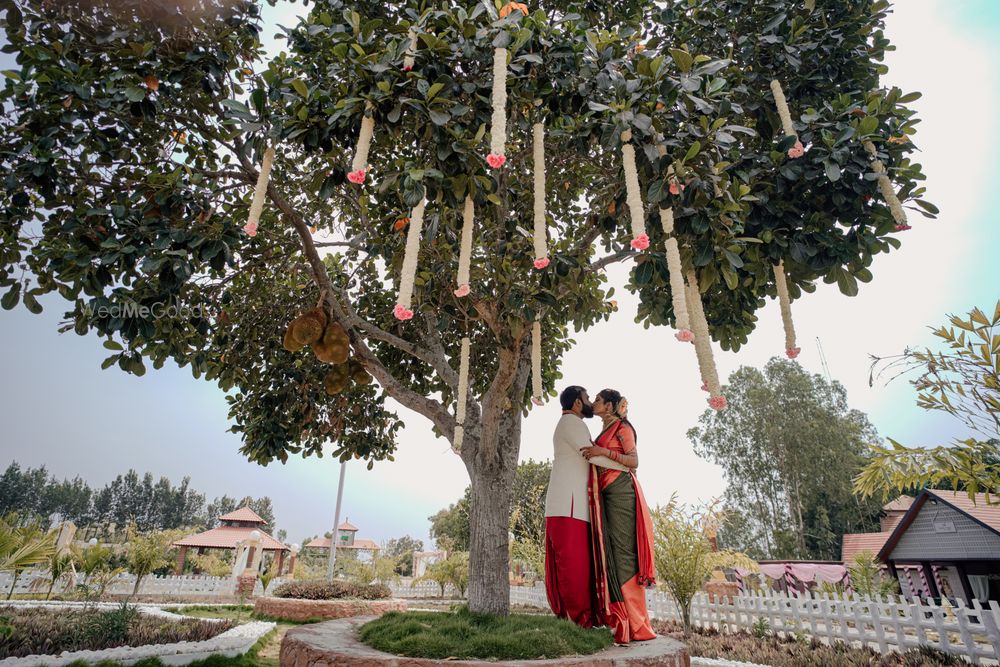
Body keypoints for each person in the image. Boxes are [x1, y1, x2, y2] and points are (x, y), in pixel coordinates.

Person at [544, 385, 632, 628]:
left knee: (576, 564)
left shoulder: (571, 423)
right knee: (574, 566)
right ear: (576, 404)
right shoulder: (572, 423)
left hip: (570, 505)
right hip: (569, 505)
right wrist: (627, 465)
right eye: (587, 398)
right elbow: (590, 454)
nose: (591, 403)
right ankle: (578, 619)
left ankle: (577, 617)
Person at [581, 388, 656, 644]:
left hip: (621, 491)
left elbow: (634, 461)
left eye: (599, 400)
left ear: (611, 406)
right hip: (606, 492)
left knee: (624, 553)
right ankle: (621, 620)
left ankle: (638, 624)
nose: (594, 403)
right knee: (610, 552)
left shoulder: (623, 428)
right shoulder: (603, 431)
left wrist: (602, 453)